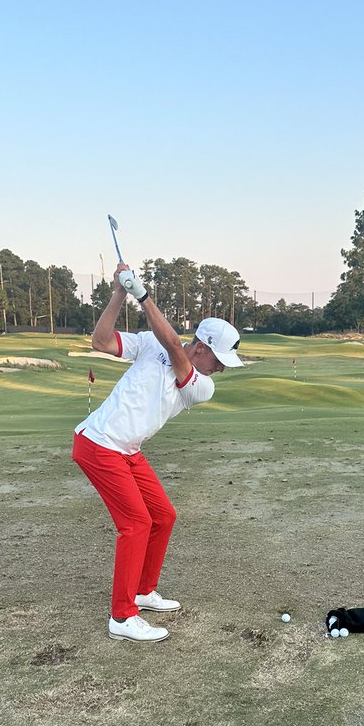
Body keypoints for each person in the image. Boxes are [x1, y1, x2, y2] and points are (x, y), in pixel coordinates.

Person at [72, 262, 243, 642]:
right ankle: (122, 616)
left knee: (163, 516)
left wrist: (143, 295)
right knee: (136, 524)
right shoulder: (151, 345)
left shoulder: (201, 386)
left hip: (126, 450)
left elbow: (173, 349)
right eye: (219, 361)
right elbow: (101, 341)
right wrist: (120, 292)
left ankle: (142, 591)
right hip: (99, 444)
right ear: (201, 348)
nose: (221, 370)